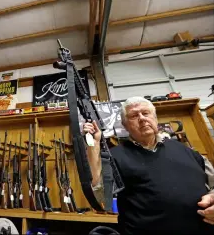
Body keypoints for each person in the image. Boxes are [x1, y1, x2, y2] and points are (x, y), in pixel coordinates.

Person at [83, 96, 214, 235]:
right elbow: (101, 196)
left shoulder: (187, 151)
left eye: (145, 113)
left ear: (155, 118)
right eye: (133, 116)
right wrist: (93, 144)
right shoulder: (115, 157)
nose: (142, 118)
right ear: (125, 125)